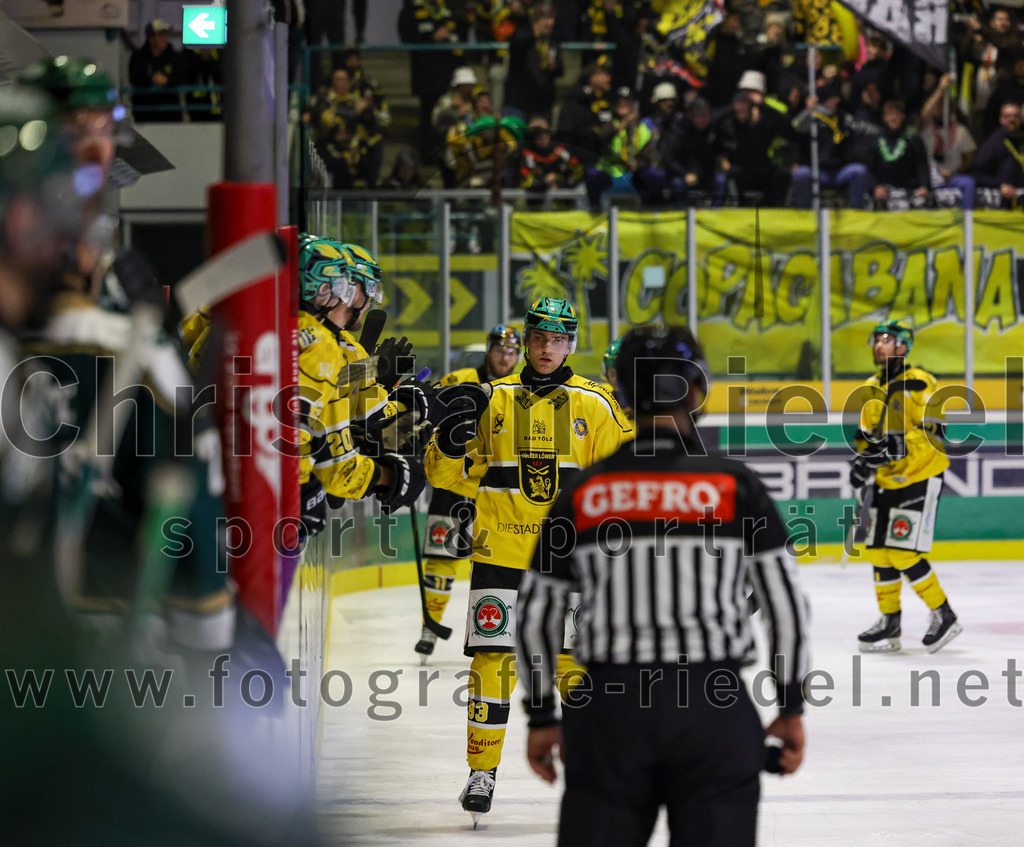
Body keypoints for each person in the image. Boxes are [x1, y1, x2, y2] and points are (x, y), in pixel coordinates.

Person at [516, 324, 810, 846]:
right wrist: (789, 707)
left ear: (624, 395)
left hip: (609, 712)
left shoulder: (585, 491)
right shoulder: (732, 485)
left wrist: (541, 713)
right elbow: (786, 607)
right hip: (713, 707)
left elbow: (536, 613)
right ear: (695, 391)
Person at [423, 297, 632, 823]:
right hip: (500, 559)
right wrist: (447, 440)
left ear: (572, 344)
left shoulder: (597, 405)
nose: (547, 348)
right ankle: (482, 772)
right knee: (492, 665)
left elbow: (627, 478)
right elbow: (445, 477)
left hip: (573, 564)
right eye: (539, 338)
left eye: (558, 339)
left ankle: (593, 774)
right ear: (526, 339)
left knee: (576, 669)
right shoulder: (490, 398)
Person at [297, 237, 425, 532]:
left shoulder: (282, 328)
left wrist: (377, 375)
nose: (368, 301)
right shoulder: (323, 347)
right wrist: (389, 477)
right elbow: (366, 426)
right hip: (277, 498)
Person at [849, 321, 962, 654]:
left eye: (888, 340)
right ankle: (890, 620)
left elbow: (934, 430)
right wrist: (861, 461)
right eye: (877, 340)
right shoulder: (870, 387)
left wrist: (899, 443)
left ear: (903, 347)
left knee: (902, 550)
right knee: (878, 551)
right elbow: (866, 438)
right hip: (887, 480)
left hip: (922, 476)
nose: (879, 345)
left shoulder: (919, 382)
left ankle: (944, 614)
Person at [414, 325, 522, 659]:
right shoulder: (459, 379)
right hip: (451, 486)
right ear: (488, 350)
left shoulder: (518, 391)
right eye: (499, 349)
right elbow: (427, 420)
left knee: (496, 563)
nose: (505, 357)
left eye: (511, 352)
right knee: (441, 559)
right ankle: (430, 627)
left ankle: (500, 633)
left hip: (494, 491)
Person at [128, 18, 183, 122]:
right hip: (144, 115)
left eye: (166, 35)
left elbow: (181, 77)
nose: (165, 39)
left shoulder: (174, 57)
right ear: (151, 38)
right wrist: (151, 80)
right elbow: (134, 78)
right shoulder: (138, 57)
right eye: (161, 35)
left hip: (170, 115)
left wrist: (167, 81)